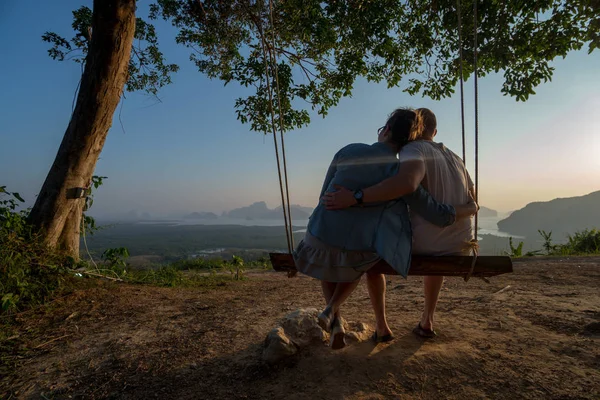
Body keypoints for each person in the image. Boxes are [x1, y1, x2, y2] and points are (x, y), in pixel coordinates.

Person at [295, 108, 477, 349]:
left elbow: (325, 194)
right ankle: (339, 311)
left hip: (318, 236)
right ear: (432, 132)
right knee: (369, 252)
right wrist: (469, 209)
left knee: (346, 254)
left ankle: (354, 321)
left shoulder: (350, 150)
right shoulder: (441, 161)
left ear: (387, 130)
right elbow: (431, 205)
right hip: (448, 244)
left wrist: (349, 201)